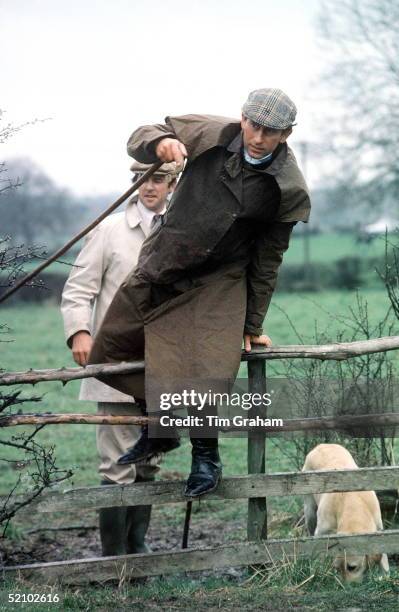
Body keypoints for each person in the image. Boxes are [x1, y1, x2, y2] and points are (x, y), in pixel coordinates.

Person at [88, 88, 311, 499]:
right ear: (242, 118)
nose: (258, 137)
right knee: (115, 343)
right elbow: (142, 134)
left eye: (271, 132)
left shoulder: (287, 188)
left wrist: (252, 323)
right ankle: (160, 428)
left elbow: (268, 260)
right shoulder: (209, 133)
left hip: (221, 279)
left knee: (207, 367)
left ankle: (206, 456)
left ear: (287, 134)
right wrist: (160, 142)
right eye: (254, 125)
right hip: (165, 260)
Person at [61, 161, 179, 556]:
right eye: (143, 179)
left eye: (159, 179)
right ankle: (114, 559)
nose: (150, 186)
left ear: (173, 183)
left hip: (163, 364)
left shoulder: (181, 230)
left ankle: (138, 549)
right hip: (115, 365)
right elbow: (79, 288)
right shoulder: (110, 230)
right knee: (117, 464)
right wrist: (80, 331)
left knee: (149, 463)